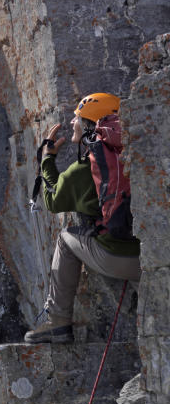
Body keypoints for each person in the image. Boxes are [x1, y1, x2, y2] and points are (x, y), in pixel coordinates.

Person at [24, 92, 141, 344]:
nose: (71, 123)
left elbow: (54, 200)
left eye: (76, 118)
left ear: (89, 122)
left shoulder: (84, 167)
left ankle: (57, 321)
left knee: (66, 238)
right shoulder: (136, 152)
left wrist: (46, 159)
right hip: (148, 258)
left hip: (116, 258)